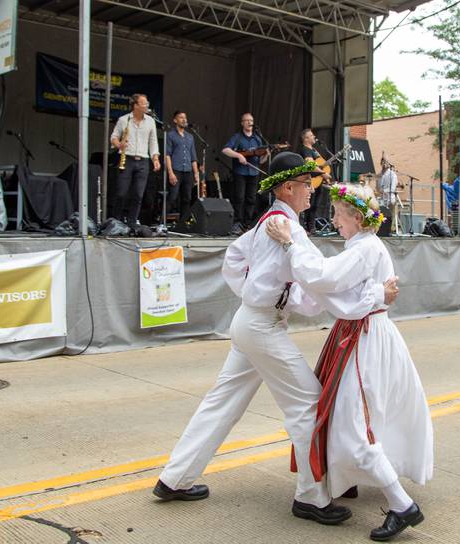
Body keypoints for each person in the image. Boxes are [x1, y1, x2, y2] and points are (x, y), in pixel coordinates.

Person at [153, 152, 399, 527]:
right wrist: (373, 297)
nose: (310, 192)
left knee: (222, 402)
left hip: (250, 321)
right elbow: (318, 277)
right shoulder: (290, 229)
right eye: (306, 185)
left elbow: (233, 261)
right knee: (308, 405)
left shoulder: (268, 220)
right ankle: (312, 497)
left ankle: (175, 478)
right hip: (262, 327)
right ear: (288, 186)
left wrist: (259, 295)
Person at [265, 183, 433, 542]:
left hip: (364, 338)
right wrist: (374, 295)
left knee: (353, 423)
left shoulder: (364, 249)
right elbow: (341, 289)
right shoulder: (363, 247)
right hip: (363, 334)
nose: (334, 220)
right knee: (350, 417)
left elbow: (325, 279)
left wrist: (291, 243)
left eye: (339, 214)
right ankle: (351, 480)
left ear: (357, 217)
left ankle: (402, 506)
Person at [109, 94, 161, 226]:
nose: (147, 106)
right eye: (144, 103)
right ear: (136, 105)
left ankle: (132, 222)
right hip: (126, 159)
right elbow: (113, 137)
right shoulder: (123, 120)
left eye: (147, 103)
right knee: (121, 192)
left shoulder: (151, 121)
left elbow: (153, 141)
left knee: (138, 194)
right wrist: (119, 144)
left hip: (143, 161)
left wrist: (155, 158)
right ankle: (116, 221)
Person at [223, 113, 265, 234]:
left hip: (254, 171)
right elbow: (225, 150)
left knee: (251, 198)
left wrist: (266, 154)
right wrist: (238, 155)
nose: (249, 122)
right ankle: (237, 223)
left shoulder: (257, 138)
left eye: (251, 120)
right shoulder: (237, 137)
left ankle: (248, 224)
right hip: (240, 172)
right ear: (242, 123)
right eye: (246, 120)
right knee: (239, 198)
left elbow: (261, 160)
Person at [165, 111, 200, 225]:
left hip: (188, 171)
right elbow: (167, 155)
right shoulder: (170, 135)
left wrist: (196, 173)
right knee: (173, 196)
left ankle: (183, 223)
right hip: (176, 169)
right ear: (175, 120)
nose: (184, 119)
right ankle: (162, 222)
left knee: (187, 198)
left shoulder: (190, 137)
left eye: (185, 117)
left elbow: (193, 156)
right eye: (181, 117)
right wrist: (170, 173)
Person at [298, 128, 330, 234]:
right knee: (309, 205)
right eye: (311, 135)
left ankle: (311, 228)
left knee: (315, 205)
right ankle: (307, 228)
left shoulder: (314, 150)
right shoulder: (305, 150)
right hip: (310, 181)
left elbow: (320, 163)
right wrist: (323, 173)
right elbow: (311, 165)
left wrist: (323, 172)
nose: (314, 137)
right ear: (306, 139)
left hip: (318, 181)